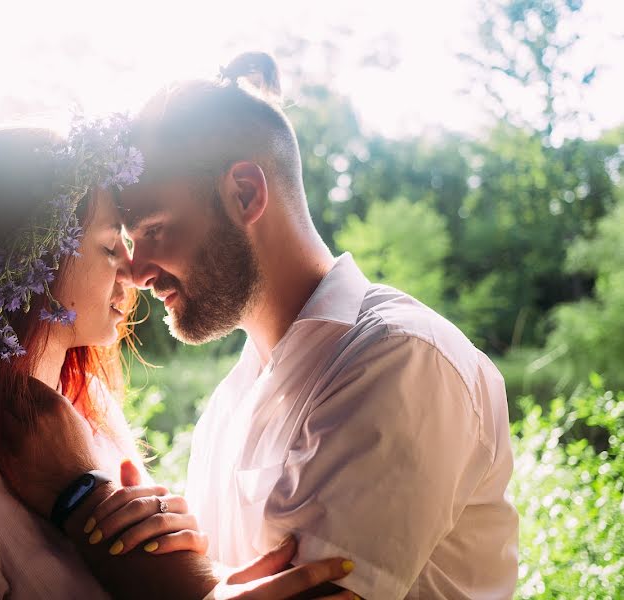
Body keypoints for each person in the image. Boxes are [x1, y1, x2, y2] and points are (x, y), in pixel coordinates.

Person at [0, 124, 357, 599]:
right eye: (111, 246)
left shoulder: (95, 417)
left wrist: (204, 577)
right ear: (37, 264)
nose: (133, 272)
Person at [115, 52, 520, 599]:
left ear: (245, 194)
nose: (136, 272)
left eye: (156, 229)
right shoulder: (230, 402)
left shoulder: (400, 358)